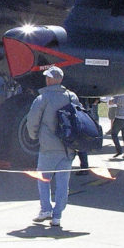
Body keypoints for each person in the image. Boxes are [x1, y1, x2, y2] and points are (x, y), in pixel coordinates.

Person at [25, 65, 79, 228]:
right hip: (68, 147)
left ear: (51, 79)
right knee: (63, 183)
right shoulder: (72, 96)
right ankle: (57, 216)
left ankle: (45, 209)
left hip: (48, 147)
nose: (46, 79)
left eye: (48, 77)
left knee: (43, 179)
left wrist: (34, 136)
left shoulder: (42, 98)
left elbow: (32, 120)